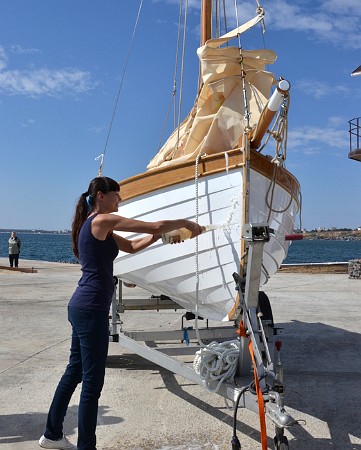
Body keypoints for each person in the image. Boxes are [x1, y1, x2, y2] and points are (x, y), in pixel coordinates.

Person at [39, 176, 203, 450]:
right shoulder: (102, 221)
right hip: (90, 308)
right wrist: (185, 223)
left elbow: (134, 246)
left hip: (83, 306)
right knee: (92, 383)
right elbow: (155, 225)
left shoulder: (95, 225)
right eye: (117, 195)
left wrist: (162, 236)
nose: (121, 200)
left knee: (75, 371)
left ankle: (52, 434)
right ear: (101, 196)